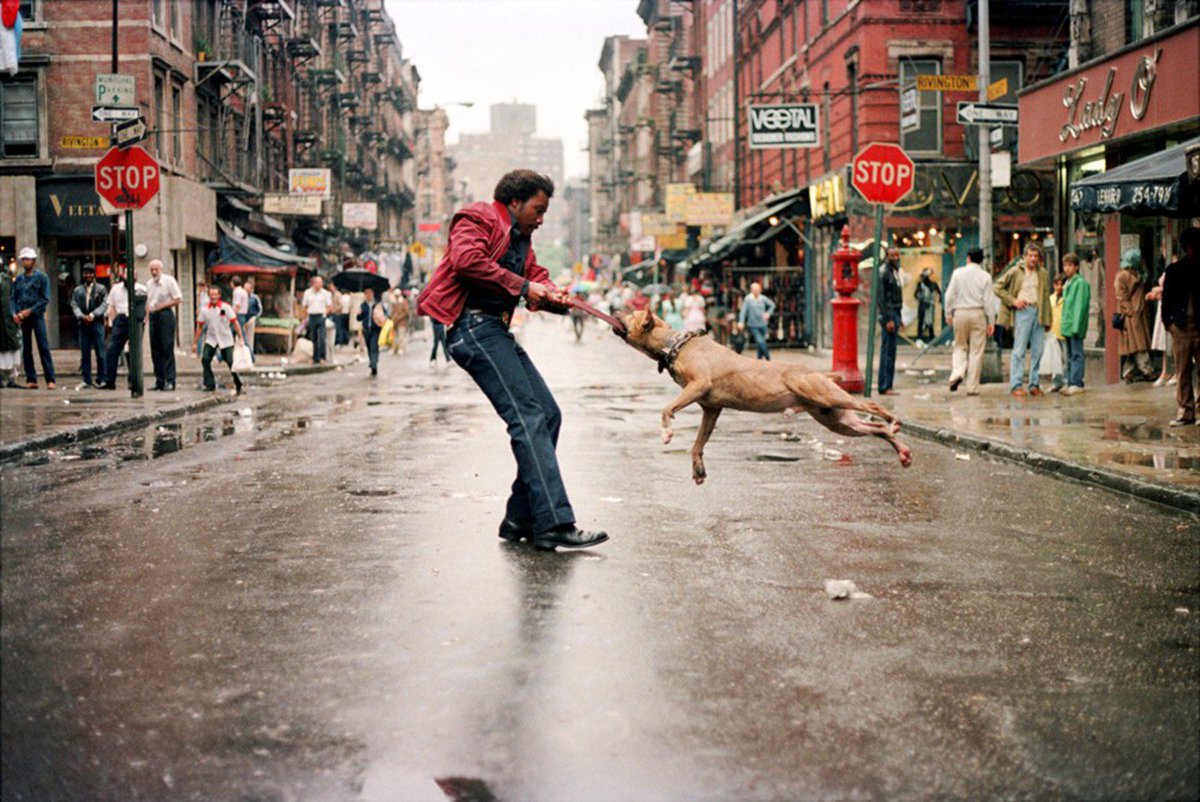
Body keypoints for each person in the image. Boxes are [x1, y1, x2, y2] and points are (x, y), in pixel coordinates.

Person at [417, 168, 608, 551]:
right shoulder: (477, 217)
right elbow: (467, 261)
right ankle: (554, 522)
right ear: (515, 202)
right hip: (471, 327)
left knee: (548, 414)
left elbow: (537, 276)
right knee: (527, 417)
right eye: (537, 210)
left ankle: (519, 518)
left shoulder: (522, 239)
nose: (541, 219)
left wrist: (554, 294)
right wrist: (525, 286)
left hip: (494, 329)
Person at [994, 243, 1051, 398]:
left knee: (1038, 350)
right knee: (1019, 350)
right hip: (1023, 312)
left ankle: (1034, 384)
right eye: (1030, 255)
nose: (1033, 259)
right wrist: (1013, 301)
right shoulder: (1015, 271)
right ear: (1025, 257)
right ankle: (1016, 385)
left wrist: (1048, 318)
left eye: (1035, 256)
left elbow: (1046, 296)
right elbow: (997, 287)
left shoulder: (1043, 273)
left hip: (1038, 312)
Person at [1160, 227, 1200, 425]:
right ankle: (1186, 411)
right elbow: (1166, 300)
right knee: (1182, 371)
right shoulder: (1175, 271)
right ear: (1187, 248)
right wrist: (1170, 324)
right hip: (1182, 327)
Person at [943, 247, 995, 396]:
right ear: (981, 260)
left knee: (960, 346)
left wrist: (948, 313)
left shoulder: (958, 273)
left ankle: (957, 373)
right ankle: (972, 387)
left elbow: (949, 295)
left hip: (960, 313)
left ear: (968, 258)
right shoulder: (985, 277)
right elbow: (989, 302)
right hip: (978, 313)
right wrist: (991, 321)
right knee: (976, 351)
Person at [11, 247, 56, 389]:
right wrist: (15, 313)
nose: (25, 262)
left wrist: (29, 311)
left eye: (27, 259)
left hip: (37, 316)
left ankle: (50, 379)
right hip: (22, 317)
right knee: (27, 348)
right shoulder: (18, 280)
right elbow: (13, 298)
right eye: (23, 259)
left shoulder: (42, 278)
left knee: (43, 346)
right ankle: (31, 378)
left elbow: (44, 299)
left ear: (34, 261)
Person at [101, 264, 147, 390]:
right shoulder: (116, 289)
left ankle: (133, 381)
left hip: (136, 319)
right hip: (121, 319)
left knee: (133, 351)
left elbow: (146, 307)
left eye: (133, 275)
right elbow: (111, 305)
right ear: (123, 276)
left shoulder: (141, 289)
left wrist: (143, 321)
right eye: (127, 275)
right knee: (112, 350)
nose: (130, 277)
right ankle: (109, 381)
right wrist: (114, 320)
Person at [1113, 248, 1155, 383]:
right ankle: (1147, 370)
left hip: (1138, 312)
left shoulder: (1135, 272)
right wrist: (1130, 311)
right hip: (1131, 315)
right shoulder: (1122, 275)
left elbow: (1146, 277)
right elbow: (1121, 296)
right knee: (1139, 344)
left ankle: (1128, 372)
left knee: (1133, 345)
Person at [195, 284, 244, 394]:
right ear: (209, 296)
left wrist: (240, 337)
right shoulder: (204, 310)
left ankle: (238, 382)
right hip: (211, 338)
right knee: (205, 359)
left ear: (219, 295)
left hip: (226, 339)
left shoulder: (225, 307)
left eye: (215, 295)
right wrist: (195, 343)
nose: (213, 297)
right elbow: (200, 327)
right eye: (211, 295)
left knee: (231, 362)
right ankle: (210, 384)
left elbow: (234, 322)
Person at [146, 259, 182, 391]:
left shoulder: (169, 280)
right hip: (153, 315)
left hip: (165, 314)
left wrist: (163, 306)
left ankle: (170, 380)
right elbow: (148, 301)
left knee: (167, 348)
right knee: (155, 349)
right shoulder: (149, 283)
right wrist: (147, 316)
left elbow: (178, 298)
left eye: (156, 269)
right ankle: (159, 380)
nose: (154, 272)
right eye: (152, 269)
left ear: (161, 269)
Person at [70, 262, 108, 388]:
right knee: (85, 353)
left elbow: (104, 304)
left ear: (94, 274)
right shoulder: (77, 290)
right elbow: (74, 304)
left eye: (90, 273)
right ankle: (86, 379)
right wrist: (81, 316)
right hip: (83, 323)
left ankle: (101, 378)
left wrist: (93, 314)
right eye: (86, 273)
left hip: (97, 322)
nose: (88, 276)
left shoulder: (101, 289)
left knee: (100, 352)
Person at [1059, 252, 1091, 396]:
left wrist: (1077, 325)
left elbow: (1080, 305)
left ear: (1076, 267)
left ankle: (1077, 382)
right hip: (1067, 324)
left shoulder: (1080, 283)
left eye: (1070, 265)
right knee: (1070, 354)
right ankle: (1071, 382)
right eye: (1065, 265)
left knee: (1077, 353)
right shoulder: (1068, 283)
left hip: (1074, 325)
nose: (1067, 268)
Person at [876, 248, 904, 393]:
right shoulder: (884, 272)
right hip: (889, 314)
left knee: (891, 352)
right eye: (892, 255)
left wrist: (901, 318)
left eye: (897, 255)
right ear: (887, 256)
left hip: (895, 313)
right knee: (887, 352)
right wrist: (888, 319)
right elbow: (881, 298)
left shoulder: (894, 272)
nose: (895, 257)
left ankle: (888, 385)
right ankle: (884, 385)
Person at [738, 282, 776, 361]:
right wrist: (741, 321)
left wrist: (768, 313)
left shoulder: (763, 298)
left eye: (758, 289)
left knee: (760, 343)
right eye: (755, 289)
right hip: (753, 324)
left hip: (763, 324)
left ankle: (759, 359)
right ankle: (767, 357)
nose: (756, 291)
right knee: (760, 341)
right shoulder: (748, 299)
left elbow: (772, 305)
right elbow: (743, 311)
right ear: (751, 290)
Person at [1146, 272, 1172, 387]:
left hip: (1171, 307)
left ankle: (1174, 371)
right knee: (1163, 342)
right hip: (1163, 306)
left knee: (1171, 341)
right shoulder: (1167, 268)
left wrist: (1157, 291)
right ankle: (1165, 371)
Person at [301, 275, 332, 364]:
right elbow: (304, 306)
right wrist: (305, 317)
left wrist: (324, 314)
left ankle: (322, 356)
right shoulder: (307, 293)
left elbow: (329, 306)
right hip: (311, 316)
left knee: (322, 337)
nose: (320, 285)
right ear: (314, 284)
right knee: (313, 338)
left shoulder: (325, 293)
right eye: (319, 283)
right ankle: (315, 357)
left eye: (321, 283)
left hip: (321, 316)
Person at [358, 286, 386, 377]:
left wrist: (382, 318)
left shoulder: (377, 304)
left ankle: (374, 364)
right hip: (366, 329)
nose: (368, 295)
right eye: (366, 293)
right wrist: (359, 314)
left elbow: (385, 313)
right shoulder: (363, 305)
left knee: (374, 346)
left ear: (373, 294)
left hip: (375, 329)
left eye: (370, 293)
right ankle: (372, 361)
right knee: (369, 347)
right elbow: (359, 318)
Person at [0, 262, 21, 387]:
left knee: (13, 348)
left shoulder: (8, 282)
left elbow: (14, 299)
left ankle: (12, 378)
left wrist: (17, 313)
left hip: (9, 320)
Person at [915, 268, 943, 343]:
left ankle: (932, 337)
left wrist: (939, 299)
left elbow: (939, 293)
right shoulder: (920, 284)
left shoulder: (933, 284)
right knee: (921, 321)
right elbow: (916, 295)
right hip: (923, 304)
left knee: (930, 321)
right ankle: (919, 337)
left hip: (930, 304)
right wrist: (921, 298)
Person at [244, 277, 262, 362]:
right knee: (242, 338)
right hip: (243, 319)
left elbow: (260, 309)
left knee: (249, 338)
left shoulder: (255, 298)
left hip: (251, 319)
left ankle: (250, 355)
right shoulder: (242, 296)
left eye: (248, 289)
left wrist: (255, 317)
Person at [390, 288, 410, 355]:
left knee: (401, 336)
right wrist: (393, 318)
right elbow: (392, 312)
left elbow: (406, 312)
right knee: (395, 336)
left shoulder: (403, 302)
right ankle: (395, 349)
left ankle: (401, 348)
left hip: (402, 322)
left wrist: (399, 317)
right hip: (395, 322)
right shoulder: (394, 302)